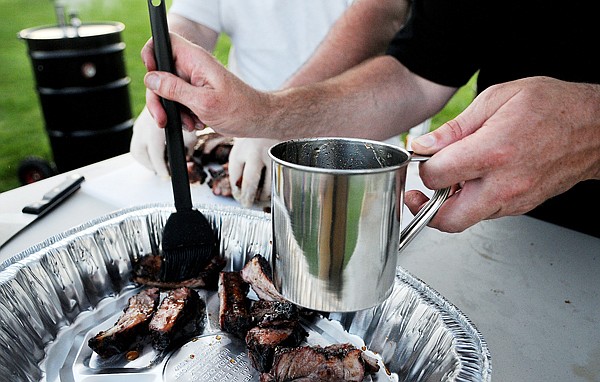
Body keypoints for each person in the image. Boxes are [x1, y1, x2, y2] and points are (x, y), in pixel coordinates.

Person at [141, 1, 600, 238]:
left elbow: (382, 12)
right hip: (520, 221)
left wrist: (590, 123)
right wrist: (266, 114)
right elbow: (417, 72)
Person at [131, 0, 414, 207]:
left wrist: (277, 119)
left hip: (356, 159)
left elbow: (381, 14)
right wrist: (176, 89)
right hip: (245, 155)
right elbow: (193, 19)